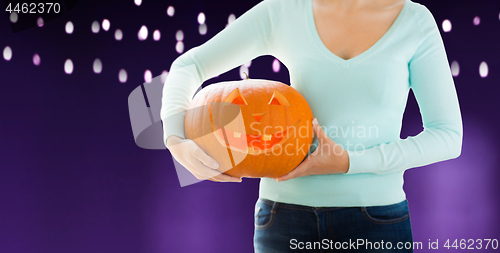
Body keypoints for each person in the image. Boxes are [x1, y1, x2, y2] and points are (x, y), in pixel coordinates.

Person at [161, 0, 463, 252]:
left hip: (376, 222)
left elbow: (448, 135)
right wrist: (175, 139)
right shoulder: (284, 10)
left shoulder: (415, 22)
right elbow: (188, 66)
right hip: (282, 220)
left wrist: (349, 162)